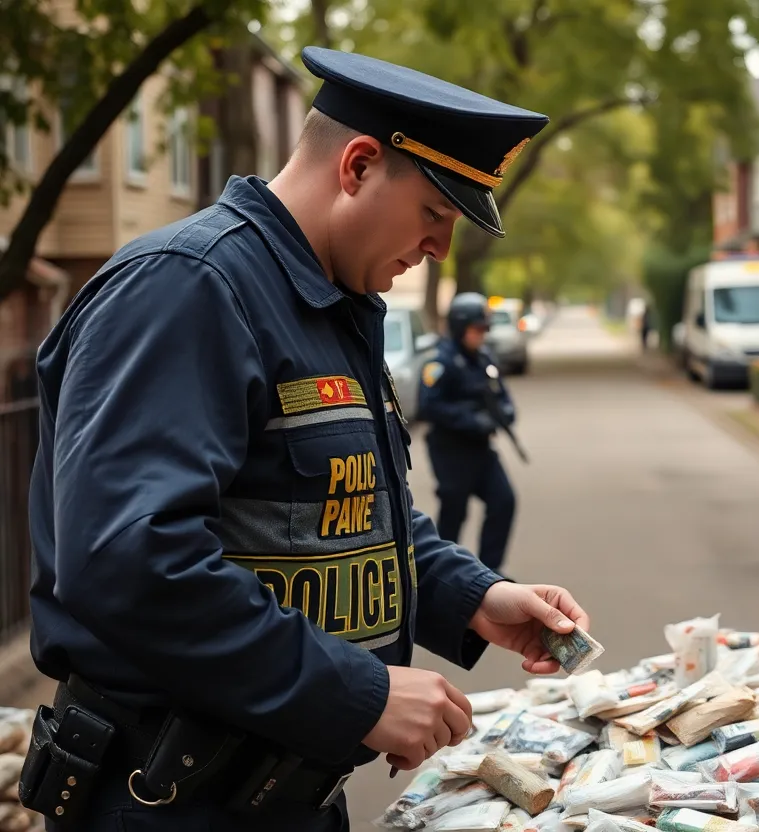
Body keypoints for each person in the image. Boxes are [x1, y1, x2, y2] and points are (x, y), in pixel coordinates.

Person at [22, 46, 590, 832]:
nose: (439, 250)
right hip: (170, 804)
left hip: (281, 797)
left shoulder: (329, 305)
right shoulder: (190, 288)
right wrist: (356, 695)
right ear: (357, 165)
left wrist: (474, 596)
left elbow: (337, 514)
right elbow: (131, 559)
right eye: (434, 214)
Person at [418, 292, 518, 575]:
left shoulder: (484, 359)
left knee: (504, 502)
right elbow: (430, 406)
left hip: (481, 450)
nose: (481, 336)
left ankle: (490, 573)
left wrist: (504, 414)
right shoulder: (440, 362)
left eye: (484, 330)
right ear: (460, 327)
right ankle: (442, 575)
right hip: (450, 452)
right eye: (477, 330)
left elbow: (503, 397)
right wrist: (471, 419)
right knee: (454, 513)